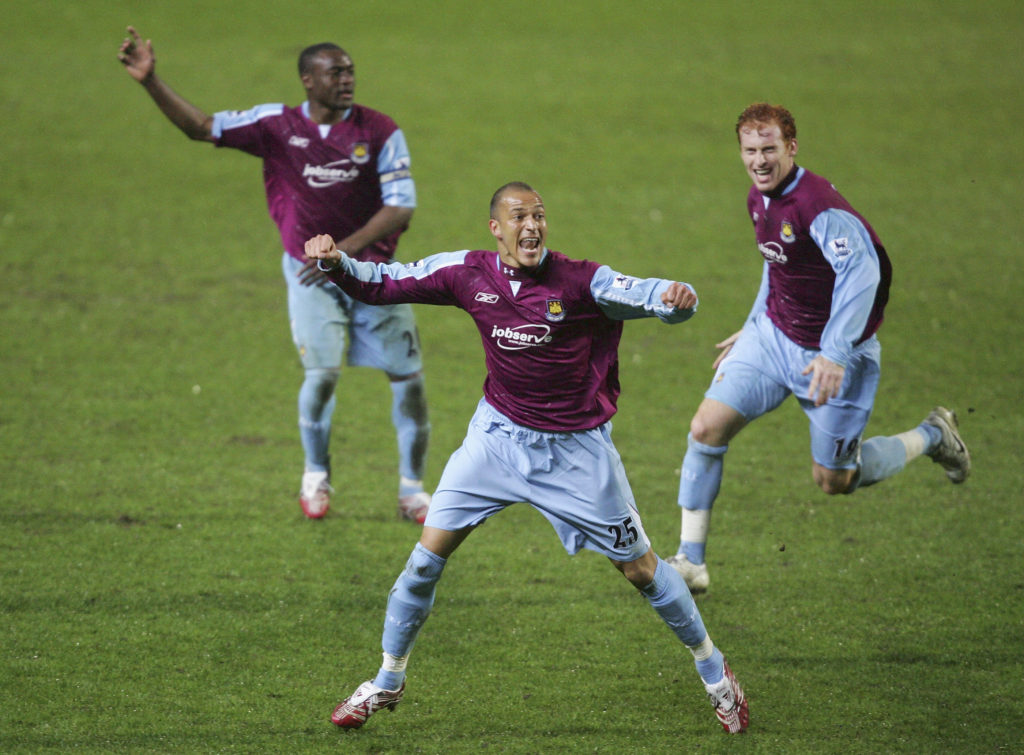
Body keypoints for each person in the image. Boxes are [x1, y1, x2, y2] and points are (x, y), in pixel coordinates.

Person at [303, 182, 749, 734]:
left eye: (539, 215)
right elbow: (387, 282)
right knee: (423, 563)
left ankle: (714, 673)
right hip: (496, 440)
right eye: (519, 217)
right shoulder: (467, 273)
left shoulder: (583, 282)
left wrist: (677, 300)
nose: (532, 226)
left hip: (575, 452)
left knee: (641, 570)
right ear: (496, 228)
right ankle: (387, 681)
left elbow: (652, 295)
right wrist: (335, 262)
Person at [117, 27, 432, 522]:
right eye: (336, 72)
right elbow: (201, 126)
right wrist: (150, 81)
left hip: (374, 274)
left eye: (350, 71)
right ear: (308, 80)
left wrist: (339, 254)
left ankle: (412, 490)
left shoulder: (379, 131)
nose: (347, 79)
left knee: (409, 383)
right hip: (310, 277)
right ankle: (316, 475)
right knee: (322, 375)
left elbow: (401, 207)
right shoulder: (275, 125)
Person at [666, 103, 971, 593]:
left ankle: (934, 436)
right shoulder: (758, 198)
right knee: (705, 426)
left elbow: (863, 272)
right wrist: (753, 324)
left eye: (769, 149)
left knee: (835, 480)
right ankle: (690, 561)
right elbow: (779, 264)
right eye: (750, 150)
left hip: (837, 358)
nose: (759, 160)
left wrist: (833, 352)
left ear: (792, 147)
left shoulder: (819, 207)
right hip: (772, 337)